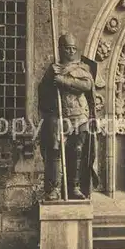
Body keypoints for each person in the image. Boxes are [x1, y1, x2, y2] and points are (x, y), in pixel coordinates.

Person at [38, 33, 99, 201]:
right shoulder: (53, 69)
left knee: (77, 152)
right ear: (61, 49)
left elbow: (87, 85)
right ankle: (54, 188)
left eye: (73, 48)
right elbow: (42, 91)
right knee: (55, 151)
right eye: (67, 48)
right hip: (58, 115)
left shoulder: (82, 68)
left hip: (79, 115)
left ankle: (74, 187)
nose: (71, 51)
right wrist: (52, 78)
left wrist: (65, 81)